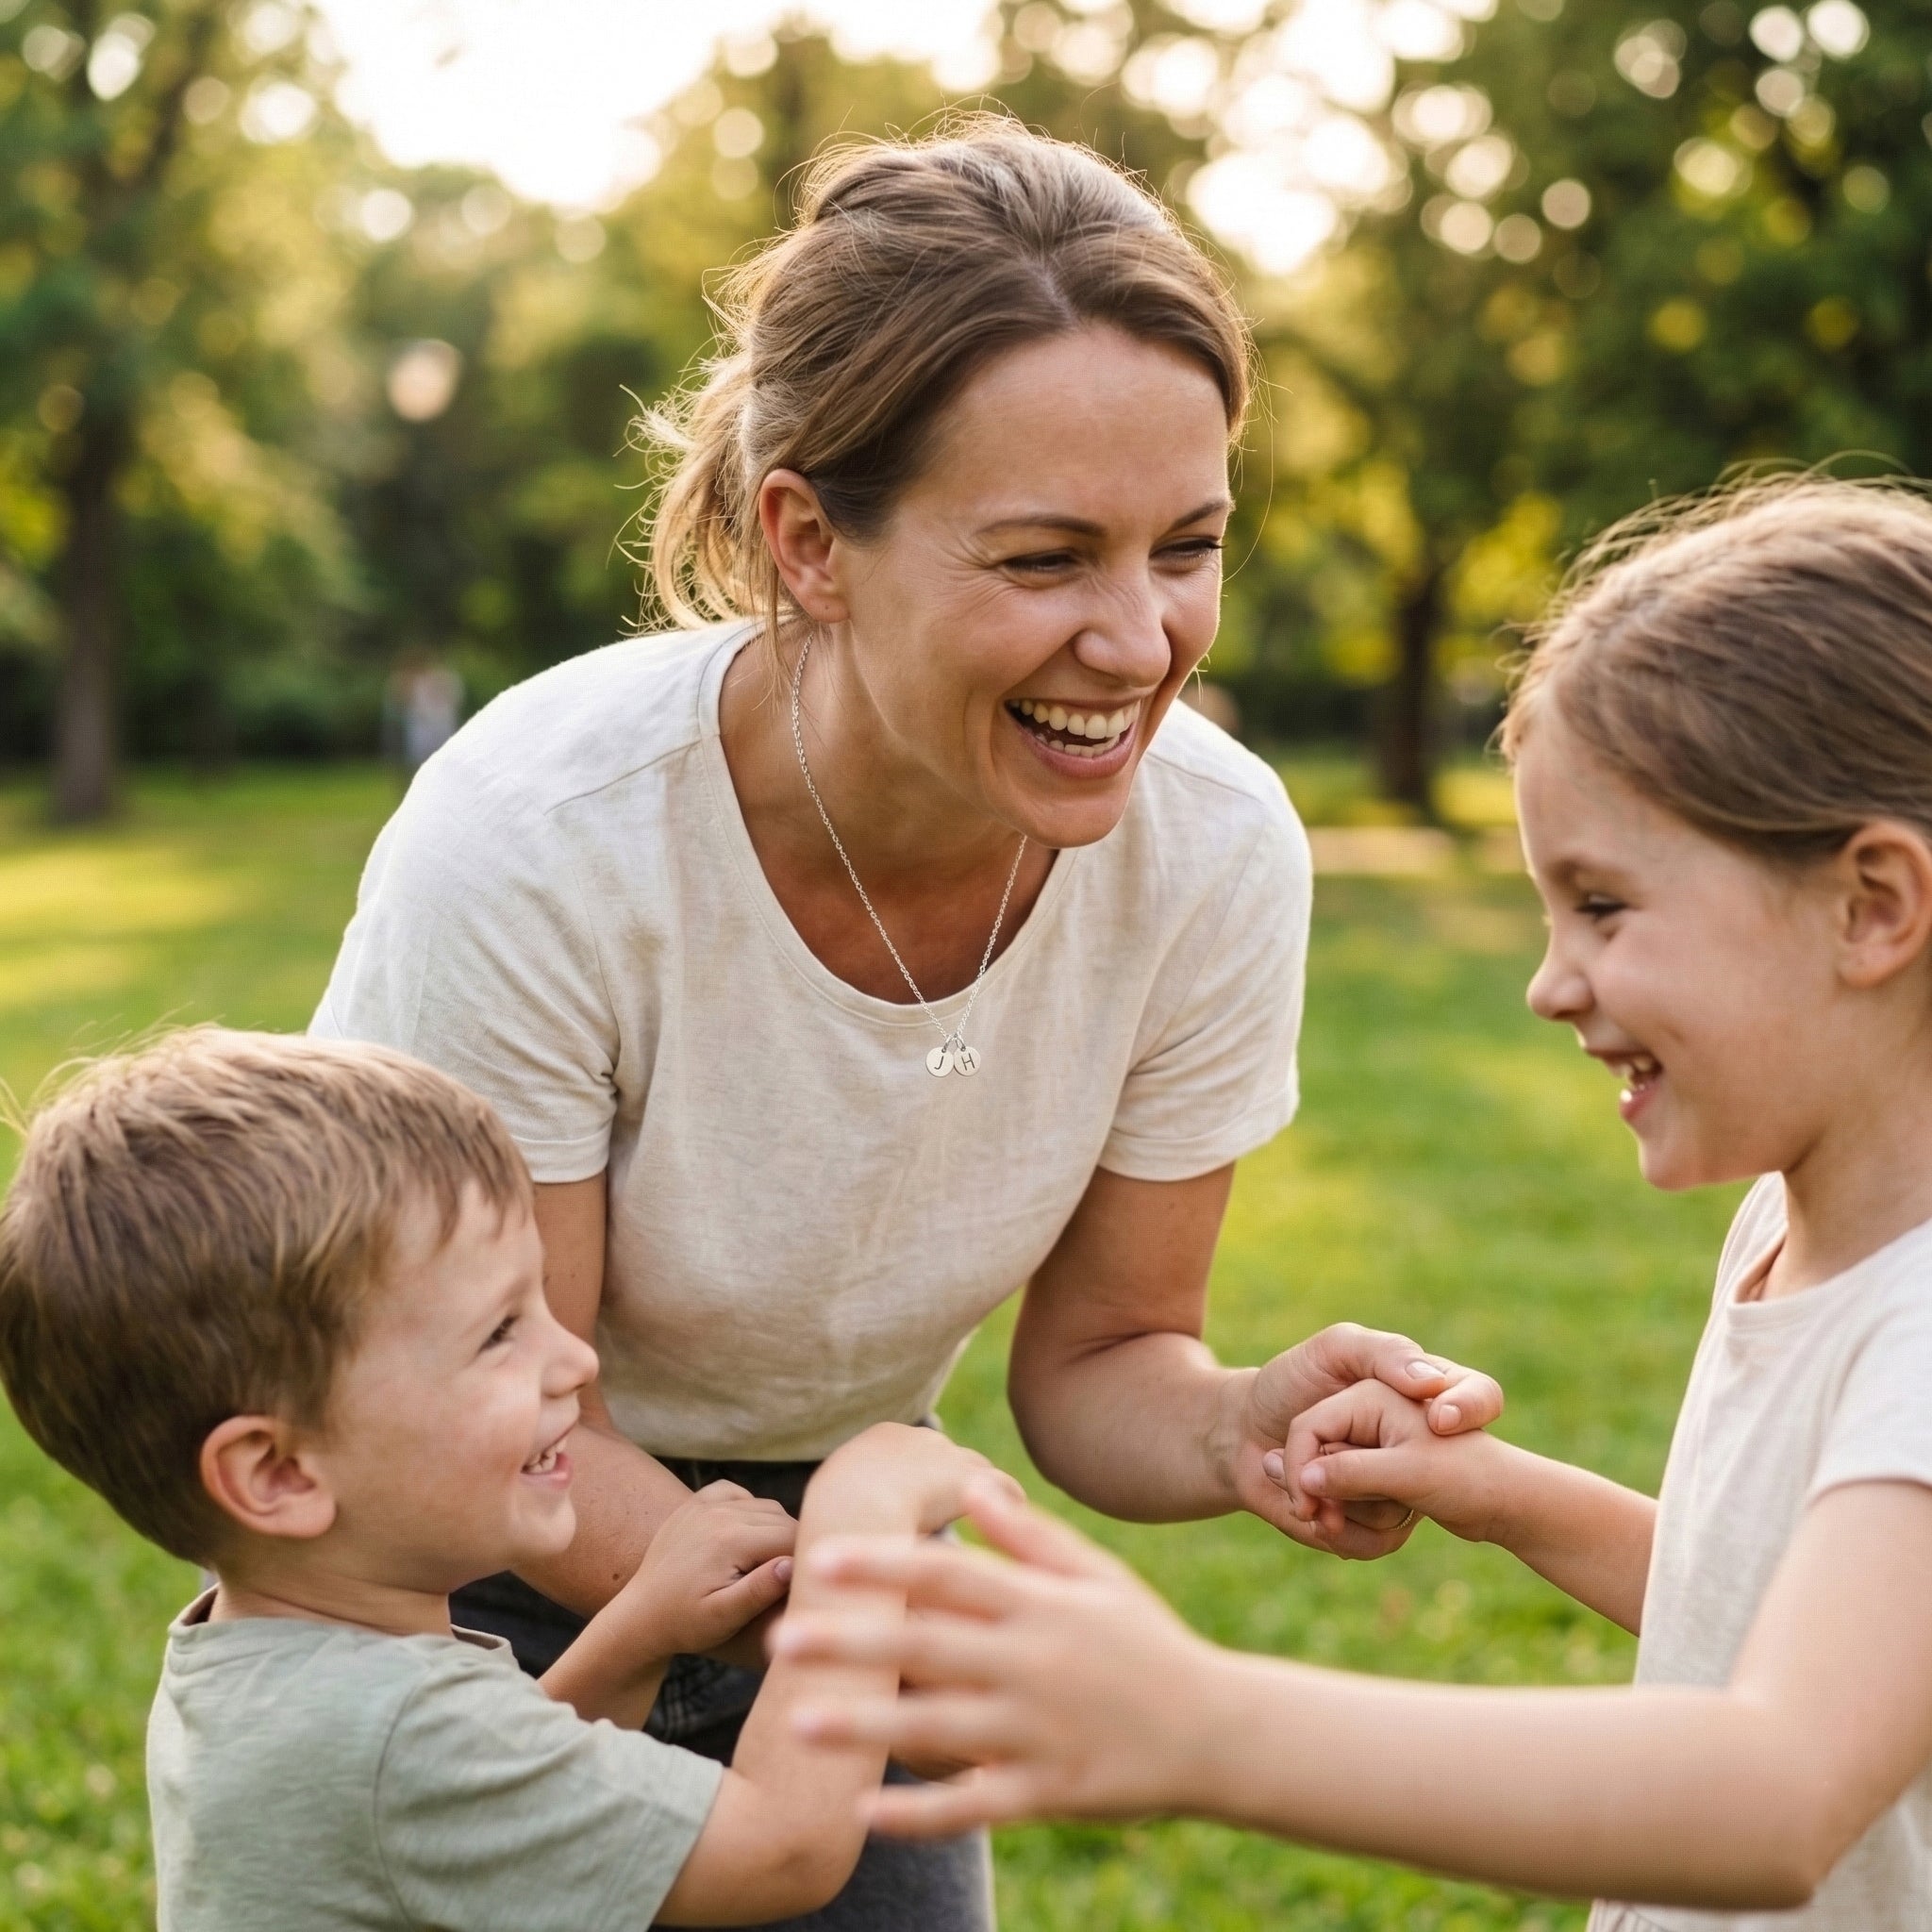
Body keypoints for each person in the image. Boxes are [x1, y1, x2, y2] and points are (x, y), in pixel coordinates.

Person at [309, 119, 1503, 1926]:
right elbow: (516, 1440)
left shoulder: (1212, 849)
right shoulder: (540, 840)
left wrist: (1238, 1421)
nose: (1136, 639)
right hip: (443, 1528)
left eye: (1187, 545)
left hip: (838, 1521)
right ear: (805, 538)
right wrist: (872, 1576)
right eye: (1042, 559)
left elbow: (1099, 1358)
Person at [775, 479, 1932, 1931]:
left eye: (1607, 908)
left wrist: (1201, 1722)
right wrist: (1505, 1501)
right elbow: (1781, 1623)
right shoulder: (1795, 1226)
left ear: (1872, 907)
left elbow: (1778, 1792)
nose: (1549, 983)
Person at [0, 1028, 1003, 1928]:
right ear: (277, 1472)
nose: (573, 1361)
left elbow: (504, 1782)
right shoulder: (387, 1731)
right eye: (497, 1333)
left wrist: (640, 1625)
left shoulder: (276, 1663)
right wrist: (858, 1520)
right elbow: (778, 1849)